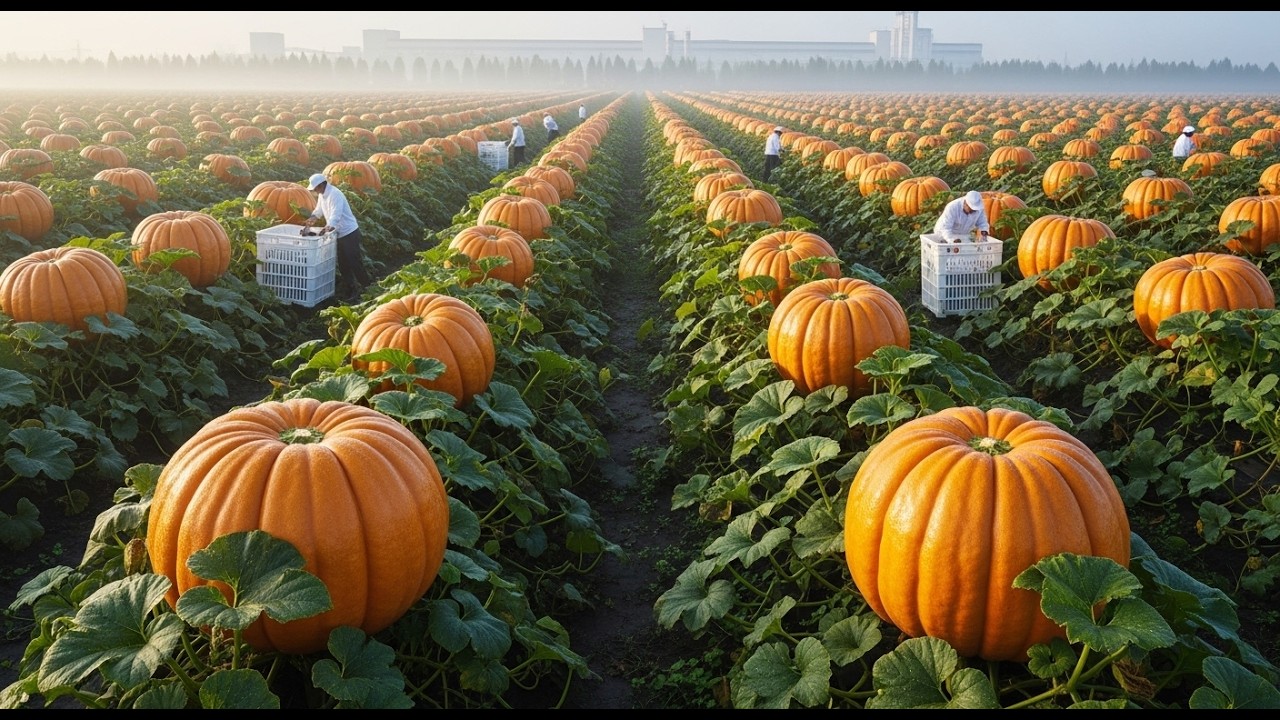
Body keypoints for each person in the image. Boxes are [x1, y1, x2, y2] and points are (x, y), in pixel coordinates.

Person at [305, 172, 370, 302]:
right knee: (343, 264)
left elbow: (336, 214)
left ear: (322, 185)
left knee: (354, 261)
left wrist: (329, 226)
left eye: (316, 188)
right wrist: (312, 218)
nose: (315, 191)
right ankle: (351, 288)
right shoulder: (322, 195)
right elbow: (319, 210)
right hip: (338, 233)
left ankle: (367, 286)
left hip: (349, 232)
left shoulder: (335, 194)